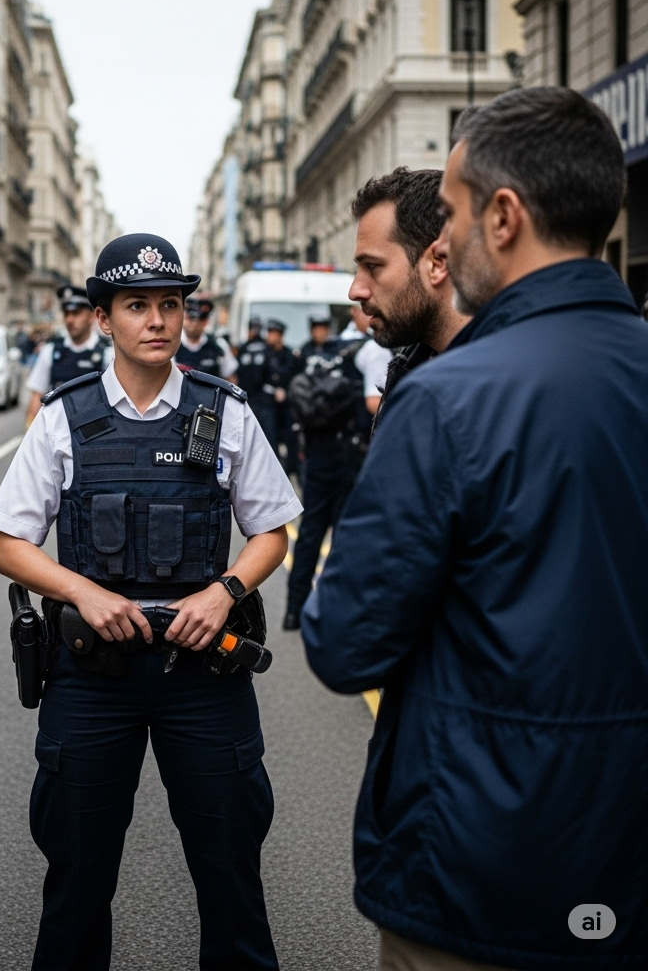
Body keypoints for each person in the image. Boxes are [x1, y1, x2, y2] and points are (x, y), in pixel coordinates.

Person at [303, 87, 648, 970]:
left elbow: (343, 642)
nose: (444, 245)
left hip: (480, 870)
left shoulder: (446, 399)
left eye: (451, 216)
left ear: (503, 217)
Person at [0, 232, 301, 971]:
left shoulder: (226, 410)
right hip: (93, 676)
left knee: (231, 874)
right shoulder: (64, 415)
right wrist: (83, 591)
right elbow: (10, 544)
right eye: (136, 305)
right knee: (77, 878)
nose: (157, 320)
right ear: (103, 318)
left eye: (170, 304)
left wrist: (224, 592)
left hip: (204, 674)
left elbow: (271, 532)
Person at [282, 307, 390, 628]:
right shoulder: (372, 350)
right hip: (349, 456)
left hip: (317, 454)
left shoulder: (325, 350)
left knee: (310, 532)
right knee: (346, 535)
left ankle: (294, 609)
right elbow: (373, 402)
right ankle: (335, 611)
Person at [347, 167, 470, 433]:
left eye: (373, 266)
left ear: (437, 263)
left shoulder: (504, 389)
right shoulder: (411, 367)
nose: (355, 291)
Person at [24, 285, 111, 425]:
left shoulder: (107, 353)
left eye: (76, 313)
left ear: (91, 316)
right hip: (57, 431)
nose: (69, 320)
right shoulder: (51, 351)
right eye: (66, 313)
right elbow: (36, 396)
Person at [251, 318, 298, 464]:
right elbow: (256, 379)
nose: (270, 336)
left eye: (274, 333)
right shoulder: (262, 352)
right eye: (269, 332)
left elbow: (292, 375)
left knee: (290, 436)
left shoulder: (289, 354)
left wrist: (284, 390)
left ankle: (290, 466)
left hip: (286, 403)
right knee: (270, 436)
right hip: (266, 403)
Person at [174, 295, 238, 381]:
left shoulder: (218, 346)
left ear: (206, 321)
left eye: (200, 320)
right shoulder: (172, 345)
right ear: (183, 318)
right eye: (190, 318)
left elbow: (230, 377)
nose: (194, 324)